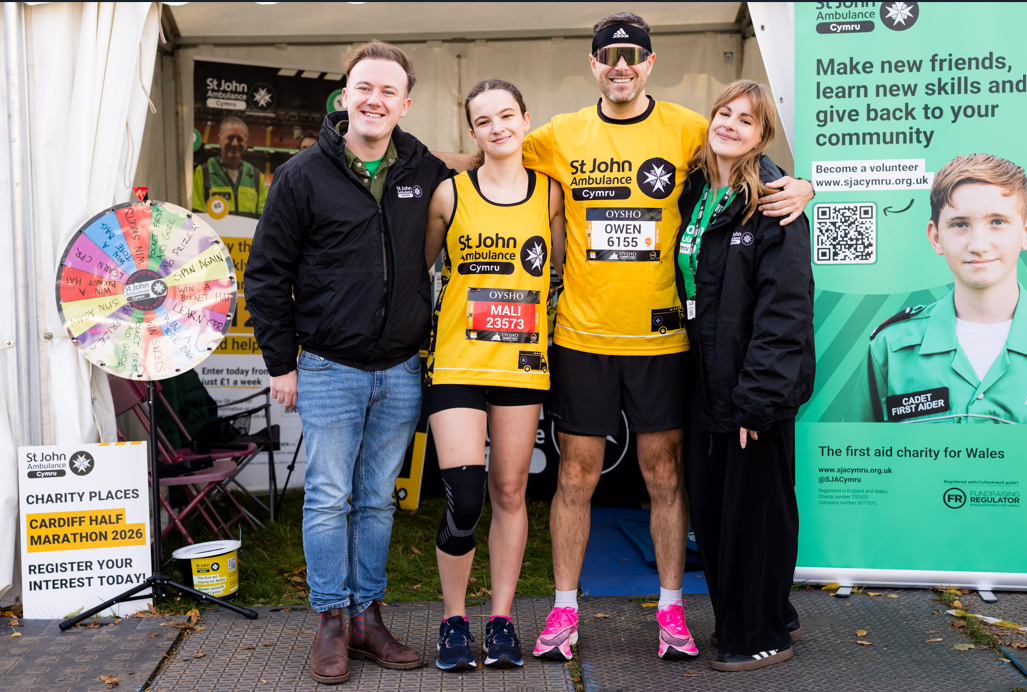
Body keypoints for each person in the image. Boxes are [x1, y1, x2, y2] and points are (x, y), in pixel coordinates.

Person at [433, 11, 815, 661]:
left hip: (663, 343)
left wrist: (796, 184)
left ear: (648, 63)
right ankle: (561, 610)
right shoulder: (559, 135)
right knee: (574, 477)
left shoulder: (690, 129)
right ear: (592, 66)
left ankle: (670, 610)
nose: (618, 66)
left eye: (630, 56)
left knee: (663, 475)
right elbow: (484, 154)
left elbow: (744, 153)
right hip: (581, 337)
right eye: (606, 56)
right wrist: (389, 150)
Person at [245, 40, 455, 685]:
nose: (375, 99)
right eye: (365, 87)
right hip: (330, 367)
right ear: (345, 93)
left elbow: (498, 162)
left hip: (400, 369)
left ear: (405, 103)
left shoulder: (423, 167)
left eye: (388, 91)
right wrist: (282, 364)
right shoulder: (302, 175)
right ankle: (331, 620)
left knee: (376, 502)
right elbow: (266, 275)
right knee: (330, 497)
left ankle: (368, 618)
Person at [423, 79, 566, 672]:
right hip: (457, 362)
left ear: (526, 120)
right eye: (484, 121)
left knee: (511, 492)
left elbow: (560, 272)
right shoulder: (447, 196)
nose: (498, 127)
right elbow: (418, 272)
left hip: (522, 365)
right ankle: (454, 621)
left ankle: (501, 620)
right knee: (465, 497)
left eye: (507, 115)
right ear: (473, 133)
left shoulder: (552, 195)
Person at [675, 80, 814, 672]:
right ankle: (770, 612)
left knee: (753, 511)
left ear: (763, 137)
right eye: (724, 113)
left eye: (746, 120)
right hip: (705, 381)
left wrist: (756, 400)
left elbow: (785, 309)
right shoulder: (696, 191)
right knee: (714, 513)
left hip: (753, 390)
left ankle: (759, 633)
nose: (730, 124)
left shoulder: (775, 204)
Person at [846, 154, 1027, 424]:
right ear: (936, 237)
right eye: (960, 224)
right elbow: (861, 459)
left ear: (1025, 231)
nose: (979, 245)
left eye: (997, 222)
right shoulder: (892, 348)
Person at [192, 116, 268, 218]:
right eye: (230, 137)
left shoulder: (257, 176)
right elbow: (196, 216)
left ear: (246, 143)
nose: (235, 143)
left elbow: (264, 217)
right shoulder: (202, 172)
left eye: (240, 139)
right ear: (219, 140)